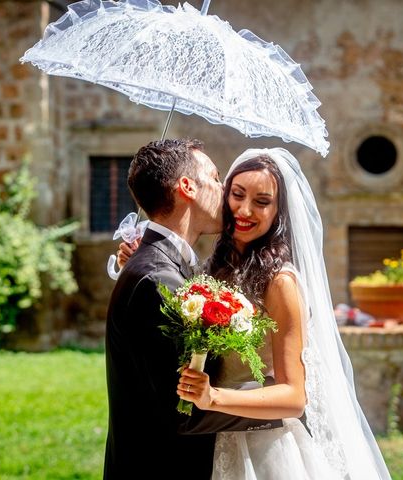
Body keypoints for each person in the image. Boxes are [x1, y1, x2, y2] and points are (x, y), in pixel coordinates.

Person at [177, 148, 393, 479]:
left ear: (279, 212)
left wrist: (213, 397)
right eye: (237, 195)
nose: (245, 210)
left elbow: (294, 397)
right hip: (208, 437)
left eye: (262, 202)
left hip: (262, 447)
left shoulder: (280, 282)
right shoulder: (217, 268)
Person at [104, 139, 282, 480]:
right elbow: (185, 410)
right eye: (215, 178)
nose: (224, 190)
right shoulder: (158, 279)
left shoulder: (165, 269)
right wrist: (281, 408)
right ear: (187, 187)